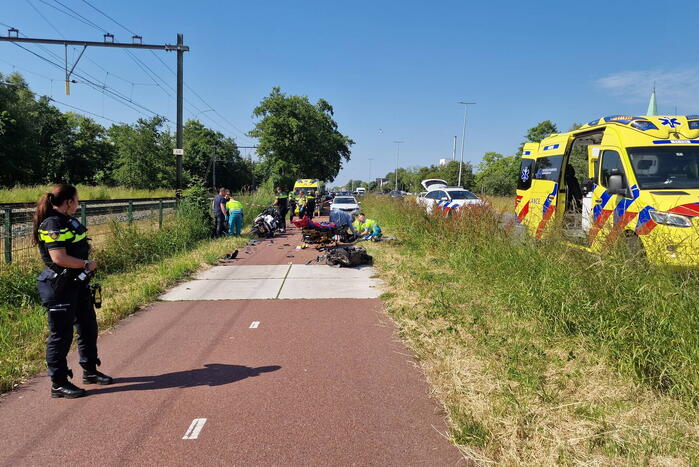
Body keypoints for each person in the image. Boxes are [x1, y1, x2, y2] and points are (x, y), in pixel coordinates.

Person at [34, 184, 113, 399]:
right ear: (68, 201)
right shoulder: (53, 223)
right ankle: (58, 383)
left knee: (88, 327)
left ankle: (90, 371)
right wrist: (86, 264)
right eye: (77, 200)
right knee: (61, 335)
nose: (78, 204)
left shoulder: (66, 220)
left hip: (77, 284)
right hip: (60, 287)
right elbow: (59, 258)